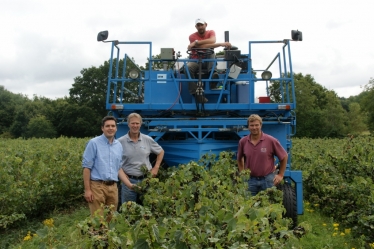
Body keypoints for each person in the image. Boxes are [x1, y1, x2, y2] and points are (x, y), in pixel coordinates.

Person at [82, 116, 128, 219]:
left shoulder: (118, 145)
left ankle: (107, 235)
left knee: (111, 218)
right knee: (98, 220)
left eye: (113, 126)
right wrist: (87, 190)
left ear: (116, 128)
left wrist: (129, 184)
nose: (110, 128)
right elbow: (86, 168)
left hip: (113, 187)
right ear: (102, 128)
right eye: (107, 126)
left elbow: (118, 168)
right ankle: (97, 235)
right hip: (97, 186)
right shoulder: (94, 143)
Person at [118, 113, 164, 204]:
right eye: (132, 123)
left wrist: (156, 167)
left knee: (148, 208)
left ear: (140, 124)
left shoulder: (147, 139)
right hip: (129, 181)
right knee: (128, 210)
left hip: (146, 180)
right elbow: (115, 160)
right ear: (128, 124)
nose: (135, 126)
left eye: (137, 123)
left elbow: (161, 151)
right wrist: (122, 172)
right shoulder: (120, 142)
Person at [237, 114, 288, 196]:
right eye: (252, 125)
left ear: (261, 125)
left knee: (269, 206)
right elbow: (239, 159)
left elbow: (284, 156)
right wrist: (242, 173)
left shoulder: (271, 140)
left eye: (256, 125)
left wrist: (281, 174)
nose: (254, 128)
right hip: (250, 180)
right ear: (248, 126)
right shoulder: (243, 142)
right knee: (249, 206)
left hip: (267, 180)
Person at [185, 18, 232, 103]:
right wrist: (220, 44)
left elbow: (212, 40)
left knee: (210, 51)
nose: (200, 27)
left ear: (206, 25)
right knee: (187, 67)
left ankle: (213, 77)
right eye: (198, 25)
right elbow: (203, 47)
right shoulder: (192, 36)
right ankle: (196, 94)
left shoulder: (211, 32)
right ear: (196, 27)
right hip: (196, 61)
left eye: (201, 25)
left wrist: (195, 43)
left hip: (208, 61)